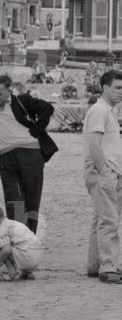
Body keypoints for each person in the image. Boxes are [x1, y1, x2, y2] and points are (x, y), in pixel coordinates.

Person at [83, 69, 122, 283]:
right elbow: (93, 145)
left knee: (100, 219)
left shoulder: (107, 111)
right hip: (104, 172)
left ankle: (95, 264)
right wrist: (105, 172)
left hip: (110, 171)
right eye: (118, 87)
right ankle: (108, 266)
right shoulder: (99, 111)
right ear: (105, 88)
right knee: (109, 221)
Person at [0, 72, 57, 234]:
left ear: (9, 90)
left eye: (0, 94)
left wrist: (37, 129)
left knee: (32, 200)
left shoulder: (22, 101)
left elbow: (47, 108)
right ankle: (18, 238)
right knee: (14, 200)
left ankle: (28, 239)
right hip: (5, 158)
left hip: (30, 154)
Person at [0, 203, 43, 279]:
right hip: (37, 258)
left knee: (3, 248)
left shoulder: (3, 228)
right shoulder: (13, 223)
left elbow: (6, 250)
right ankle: (26, 272)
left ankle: (13, 271)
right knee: (15, 244)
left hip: (27, 259)